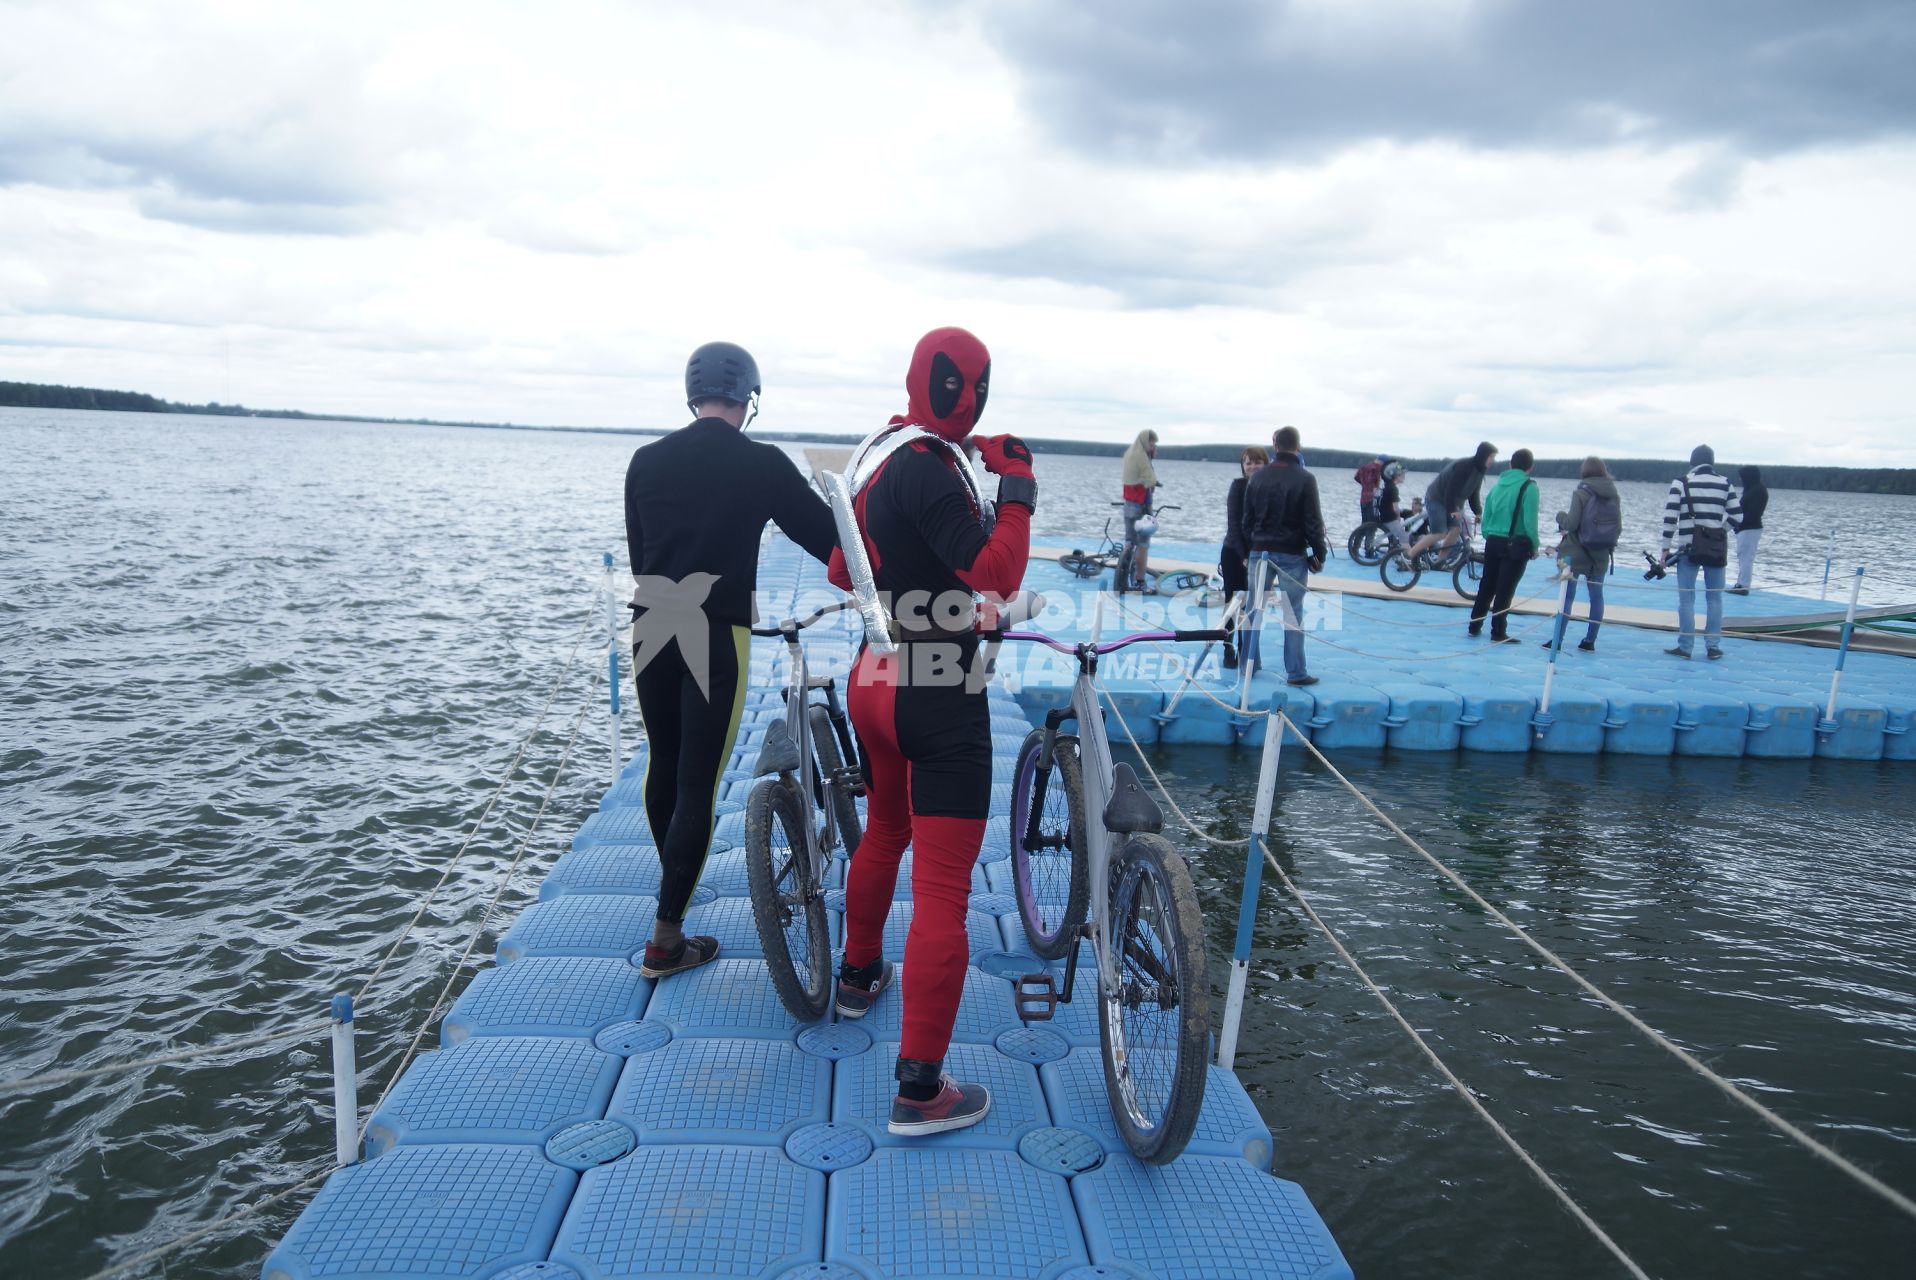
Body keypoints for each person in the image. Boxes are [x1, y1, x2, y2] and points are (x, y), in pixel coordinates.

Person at [827, 326, 1036, 1137]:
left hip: (872, 677)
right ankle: (921, 1090)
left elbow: (845, 570)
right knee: (944, 890)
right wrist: (1016, 486)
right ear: (972, 391)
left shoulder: (883, 452)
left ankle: (857, 974)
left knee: (883, 832)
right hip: (939, 689)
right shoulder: (932, 468)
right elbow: (996, 572)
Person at [624, 341, 837, 978]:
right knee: (700, 781)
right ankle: (666, 939)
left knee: (663, 767)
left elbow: (640, 555)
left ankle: (674, 891)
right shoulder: (762, 463)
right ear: (749, 397)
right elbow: (826, 537)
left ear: (692, 395)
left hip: (651, 623)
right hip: (716, 633)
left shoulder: (645, 461)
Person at [1242, 425, 1327, 686]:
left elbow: (1247, 520)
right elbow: (1313, 522)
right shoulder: (1305, 478)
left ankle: (1248, 665)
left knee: (1252, 610)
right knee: (1293, 613)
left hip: (1260, 551)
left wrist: (1249, 549)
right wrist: (1318, 554)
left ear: (1275, 446)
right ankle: (1296, 672)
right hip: (1292, 553)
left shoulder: (1257, 478)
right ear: (1297, 447)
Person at [1659, 445, 1742, 660]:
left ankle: (1685, 646)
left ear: (1692, 461)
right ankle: (1713, 646)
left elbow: (1670, 518)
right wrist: (1719, 531)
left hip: (1688, 547)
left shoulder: (1681, 482)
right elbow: (1737, 516)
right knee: (1715, 599)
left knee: (1687, 599)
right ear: (1712, 462)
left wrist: (1665, 548)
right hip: (1716, 548)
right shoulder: (1725, 483)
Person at [1543, 456, 1621, 651]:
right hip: (1601, 553)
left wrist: (1559, 516)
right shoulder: (1614, 494)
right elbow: (1618, 527)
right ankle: (1590, 641)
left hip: (1575, 552)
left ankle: (1557, 641)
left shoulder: (1581, 492)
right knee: (1596, 596)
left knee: (1567, 596)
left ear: (1584, 471)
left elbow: (1572, 523)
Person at [1468, 448, 1539, 643]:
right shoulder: (1529, 487)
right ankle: (1498, 631)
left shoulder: (1497, 486)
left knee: (1487, 585)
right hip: (1515, 543)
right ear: (1530, 467)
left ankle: (1474, 625)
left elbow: (1486, 515)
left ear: (1510, 465)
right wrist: (1534, 545)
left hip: (1493, 541)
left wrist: (1488, 534)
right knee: (1505, 589)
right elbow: (1530, 521)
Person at [1403, 442, 1498, 565]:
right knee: (1439, 533)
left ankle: (1440, 560)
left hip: (1451, 502)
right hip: (1436, 498)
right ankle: (1410, 554)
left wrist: (1478, 512)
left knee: (1456, 530)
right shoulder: (1464, 466)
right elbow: (1450, 490)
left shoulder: (1480, 471)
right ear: (1483, 455)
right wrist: (1453, 510)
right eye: (1491, 457)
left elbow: (1474, 493)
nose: (1493, 460)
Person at [1219, 446, 1267, 669]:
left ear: (1265, 464)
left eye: (1257, 462)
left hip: (1258, 554)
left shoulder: (1270, 488)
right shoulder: (1238, 487)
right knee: (1232, 603)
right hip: (1234, 552)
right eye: (1248, 462)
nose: (1252, 466)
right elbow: (1234, 525)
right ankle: (1227, 648)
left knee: (1251, 605)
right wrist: (1244, 556)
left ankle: (1244, 648)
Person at [1118, 429, 1159, 593]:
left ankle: (1122, 577)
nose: (1153, 446)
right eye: (1152, 443)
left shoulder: (1129, 454)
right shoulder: (1142, 457)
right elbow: (1151, 481)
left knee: (1129, 542)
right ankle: (1140, 582)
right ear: (1145, 442)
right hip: (1141, 505)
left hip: (1128, 504)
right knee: (1142, 544)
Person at [1730, 464, 1767, 594]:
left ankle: (1744, 585)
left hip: (1750, 529)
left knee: (1746, 557)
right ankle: (1741, 583)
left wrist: (1739, 524)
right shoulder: (1753, 489)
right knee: (1743, 556)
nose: (1740, 479)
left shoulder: (1757, 491)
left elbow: (1752, 514)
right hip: (1746, 528)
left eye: (1742, 477)